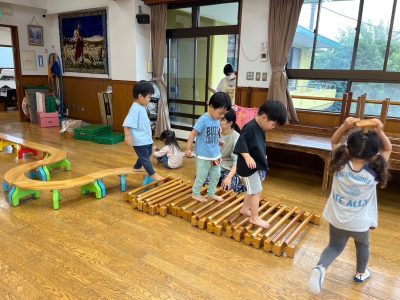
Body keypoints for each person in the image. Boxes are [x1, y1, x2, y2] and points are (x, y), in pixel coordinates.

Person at [308, 117, 392, 294]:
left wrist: (346, 126)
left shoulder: (340, 161)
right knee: (363, 245)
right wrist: (380, 131)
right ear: (374, 154)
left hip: (337, 219)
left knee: (334, 247)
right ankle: (361, 273)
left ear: (347, 148)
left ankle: (320, 268)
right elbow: (388, 148)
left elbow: (334, 140)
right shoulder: (375, 168)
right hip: (359, 223)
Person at [234, 100, 287, 228]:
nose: (273, 127)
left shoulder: (260, 127)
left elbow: (257, 145)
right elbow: (241, 143)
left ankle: (245, 209)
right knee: (256, 191)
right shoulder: (250, 127)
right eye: (273, 124)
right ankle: (254, 218)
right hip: (247, 168)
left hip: (253, 167)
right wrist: (247, 157)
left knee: (252, 190)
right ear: (264, 117)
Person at [185, 92, 232, 202]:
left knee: (216, 175)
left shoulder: (217, 120)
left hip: (215, 155)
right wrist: (188, 148)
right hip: (203, 156)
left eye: (223, 115)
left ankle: (211, 193)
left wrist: (218, 142)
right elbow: (193, 134)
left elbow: (214, 135)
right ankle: (195, 194)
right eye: (220, 113)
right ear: (211, 107)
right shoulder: (203, 119)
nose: (221, 116)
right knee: (201, 176)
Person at [123, 81, 163, 181]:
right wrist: (127, 135)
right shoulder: (135, 108)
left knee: (148, 152)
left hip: (145, 138)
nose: (150, 99)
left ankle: (137, 167)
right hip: (139, 139)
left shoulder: (141, 107)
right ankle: (153, 174)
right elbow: (127, 123)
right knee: (145, 158)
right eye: (149, 97)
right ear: (140, 96)